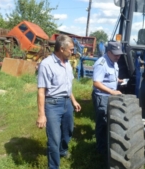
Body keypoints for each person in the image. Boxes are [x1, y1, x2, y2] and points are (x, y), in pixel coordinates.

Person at [36, 34, 81, 169]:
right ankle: (54, 166)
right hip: (53, 105)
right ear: (62, 49)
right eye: (71, 49)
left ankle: (62, 151)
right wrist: (41, 114)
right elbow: (41, 91)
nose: (73, 52)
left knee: (68, 132)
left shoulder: (67, 63)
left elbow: (67, 86)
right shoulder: (46, 64)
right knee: (54, 139)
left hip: (67, 103)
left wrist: (73, 101)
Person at [92, 41, 123, 157]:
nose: (118, 56)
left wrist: (118, 80)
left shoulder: (114, 61)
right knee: (103, 123)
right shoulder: (101, 63)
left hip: (110, 95)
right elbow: (96, 83)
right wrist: (112, 91)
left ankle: (107, 145)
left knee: (109, 121)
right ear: (108, 52)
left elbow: (110, 76)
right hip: (102, 97)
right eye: (116, 54)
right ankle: (101, 149)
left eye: (119, 54)